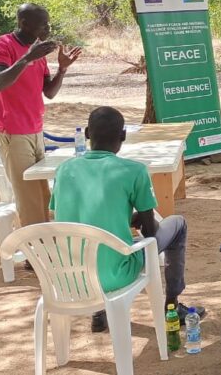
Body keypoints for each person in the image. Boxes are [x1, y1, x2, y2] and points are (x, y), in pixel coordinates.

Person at [50, 107, 204, 332]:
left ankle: (99, 312)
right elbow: (151, 233)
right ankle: (172, 306)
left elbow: (68, 217)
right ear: (122, 136)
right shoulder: (134, 171)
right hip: (115, 275)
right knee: (177, 224)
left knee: (92, 241)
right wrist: (142, 218)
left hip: (69, 279)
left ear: (86, 134)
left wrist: (121, 218)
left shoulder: (63, 170)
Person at [0, 4, 83, 237]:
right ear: (24, 24)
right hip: (12, 130)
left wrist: (62, 69)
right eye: (43, 24)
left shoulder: (39, 53)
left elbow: (49, 92)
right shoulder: (4, 44)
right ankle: (35, 250)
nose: (48, 28)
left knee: (42, 191)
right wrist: (27, 58)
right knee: (28, 195)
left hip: (34, 129)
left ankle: (44, 241)